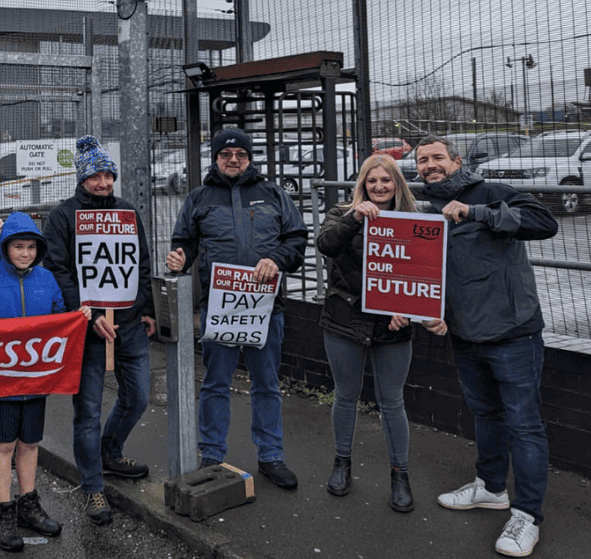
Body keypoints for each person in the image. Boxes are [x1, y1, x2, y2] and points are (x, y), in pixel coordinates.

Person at [414, 135, 558, 557]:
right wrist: (433, 311)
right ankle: (491, 488)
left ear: (457, 161)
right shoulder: (426, 209)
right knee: (485, 415)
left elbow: (544, 222)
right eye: (422, 160)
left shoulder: (491, 192)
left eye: (437, 157)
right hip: (463, 334)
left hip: (513, 333)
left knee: (525, 425)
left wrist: (477, 211)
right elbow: (434, 271)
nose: (429, 165)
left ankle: (527, 515)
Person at [167, 127, 308, 489]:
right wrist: (179, 258)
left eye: (240, 155)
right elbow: (184, 242)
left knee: (267, 384)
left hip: (266, 307)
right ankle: (212, 455)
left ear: (249, 158)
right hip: (220, 307)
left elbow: (296, 239)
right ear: (215, 158)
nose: (233, 160)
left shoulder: (273, 194)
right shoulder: (199, 198)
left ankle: (271, 456)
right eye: (226, 154)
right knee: (216, 383)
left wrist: (277, 259)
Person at [0, 211, 91, 552]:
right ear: (5, 247)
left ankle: (28, 504)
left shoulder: (47, 279)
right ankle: (4, 511)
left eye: (31, 247)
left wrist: (78, 318)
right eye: (18, 246)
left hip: (34, 381)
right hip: (1, 382)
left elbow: (60, 320)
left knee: (30, 444)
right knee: (3, 446)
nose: (25, 253)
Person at [42, 135, 156, 526]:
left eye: (109, 176)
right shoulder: (62, 217)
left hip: (130, 325)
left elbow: (141, 263)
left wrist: (146, 308)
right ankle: (92, 486)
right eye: (96, 176)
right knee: (87, 411)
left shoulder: (127, 212)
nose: (104, 183)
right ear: (82, 178)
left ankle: (110, 451)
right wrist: (88, 315)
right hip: (87, 329)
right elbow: (58, 271)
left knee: (138, 397)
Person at [315, 154, 425, 512]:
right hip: (345, 320)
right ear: (362, 184)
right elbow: (326, 245)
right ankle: (342, 463)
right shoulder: (341, 213)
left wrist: (408, 310)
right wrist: (355, 218)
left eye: (386, 180)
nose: (379, 187)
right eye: (372, 180)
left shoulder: (413, 219)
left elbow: (424, 274)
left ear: (397, 184)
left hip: (391, 325)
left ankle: (400, 474)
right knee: (345, 395)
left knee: (392, 400)